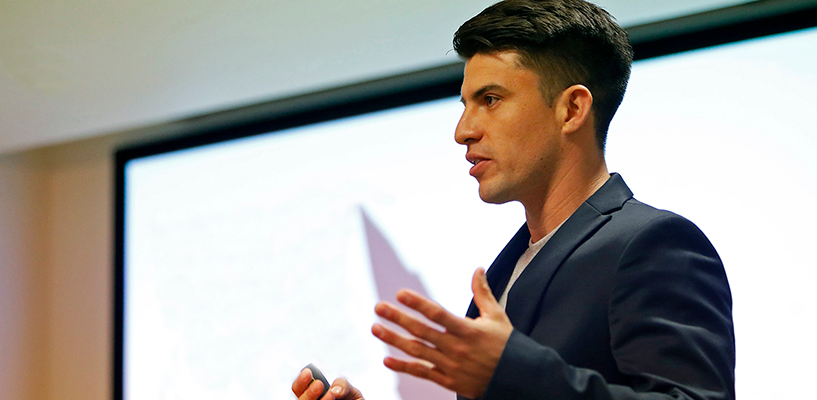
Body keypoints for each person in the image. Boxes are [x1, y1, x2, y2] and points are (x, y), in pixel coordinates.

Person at [291, 0, 735, 399]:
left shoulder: (652, 244)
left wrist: (516, 373)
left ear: (572, 110)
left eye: (490, 99)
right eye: (464, 104)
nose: (463, 130)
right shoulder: (507, 271)